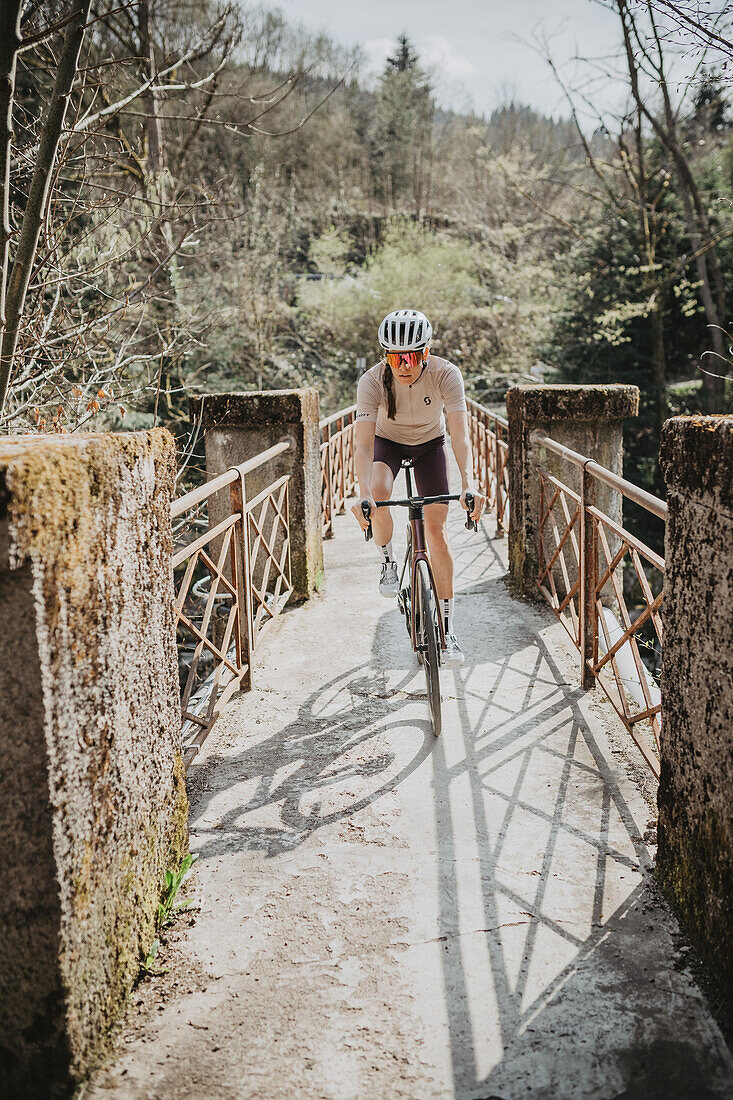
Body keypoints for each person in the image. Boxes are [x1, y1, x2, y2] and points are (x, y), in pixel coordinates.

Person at [351, 308, 485, 668]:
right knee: (378, 494)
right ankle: (388, 560)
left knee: (436, 533)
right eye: (395, 357)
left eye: (412, 355)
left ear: (426, 353)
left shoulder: (446, 374)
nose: (404, 364)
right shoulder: (372, 381)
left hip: (430, 445)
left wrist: (469, 484)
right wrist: (362, 492)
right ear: (385, 355)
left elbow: (460, 434)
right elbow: (362, 446)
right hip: (387, 444)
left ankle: (447, 629)